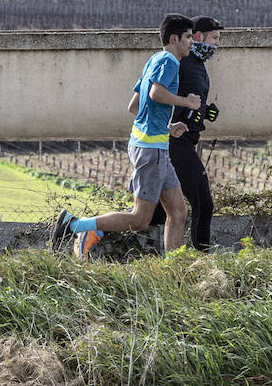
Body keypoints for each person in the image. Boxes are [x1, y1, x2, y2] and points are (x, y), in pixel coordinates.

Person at [50, 14, 201, 258]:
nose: (191, 42)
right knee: (140, 218)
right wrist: (188, 102)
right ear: (174, 39)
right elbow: (155, 93)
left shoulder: (154, 60)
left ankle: (174, 266)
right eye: (187, 37)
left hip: (155, 146)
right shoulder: (170, 62)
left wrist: (168, 126)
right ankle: (74, 226)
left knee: (178, 213)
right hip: (151, 150)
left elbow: (134, 105)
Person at [159, 15, 223, 250]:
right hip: (177, 142)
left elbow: (190, 98)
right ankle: (204, 258)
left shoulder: (197, 65)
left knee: (150, 214)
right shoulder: (181, 62)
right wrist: (181, 116)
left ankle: (83, 227)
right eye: (214, 38)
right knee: (203, 203)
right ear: (198, 37)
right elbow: (161, 95)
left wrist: (204, 111)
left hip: (182, 141)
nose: (217, 44)